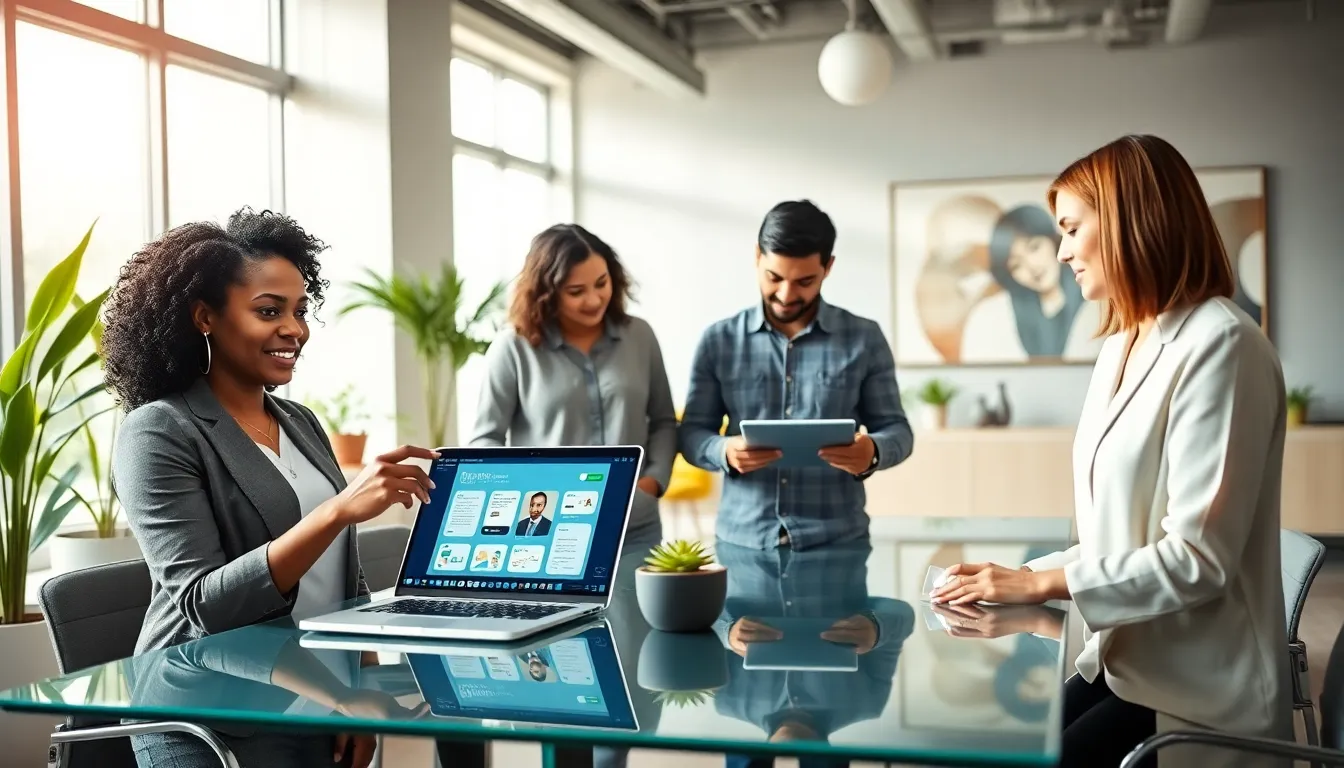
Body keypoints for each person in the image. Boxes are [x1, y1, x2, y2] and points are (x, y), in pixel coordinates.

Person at [930, 135, 1292, 768]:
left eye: (1071, 228)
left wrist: (1039, 579)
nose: (1064, 250)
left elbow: (1197, 560)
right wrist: (1012, 581)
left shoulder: (1222, 345)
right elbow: (1116, 538)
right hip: (1126, 661)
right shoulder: (1122, 343)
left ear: (1130, 221)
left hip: (1193, 693)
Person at [104, 208, 438, 768]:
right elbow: (203, 604)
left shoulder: (299, 421)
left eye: (300, 310)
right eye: (268, 311)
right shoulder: (159, 430)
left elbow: (342, 575)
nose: (295, 329)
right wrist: (336, 511)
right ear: (205, 317)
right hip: (211, 718)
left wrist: (360, 687)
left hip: (319, 699)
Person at [678, 200, 914, 551]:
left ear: (828, 267)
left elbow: (898, 430)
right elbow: (692, 434)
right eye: (774, 277)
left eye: (805, 281)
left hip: (838, 542)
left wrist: (874, 452)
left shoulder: (864, 338)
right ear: (757, 256)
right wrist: (724, 450)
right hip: (743, 541)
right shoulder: (718, 341)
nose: (787, 295)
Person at [468, 223, 678, 542]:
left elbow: (663, 420)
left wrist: (653, 482)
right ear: (546, 293)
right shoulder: (512, 348)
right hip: (547, 529)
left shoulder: (640, 336)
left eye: (601, 283)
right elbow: (485, 441)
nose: (594, 300)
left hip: (634, 524)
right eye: (576, 292)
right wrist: (527, 492)